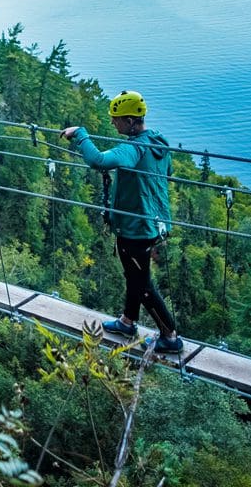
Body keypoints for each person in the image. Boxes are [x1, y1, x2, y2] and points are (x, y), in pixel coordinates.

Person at [61, 90, 183, 354]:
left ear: (130, 121)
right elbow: (168, 172)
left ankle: (170, 336)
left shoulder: (133, 148)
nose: (112, 123)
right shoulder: (156, 142)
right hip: (154, 221)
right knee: (133, 274)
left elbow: (99, 161)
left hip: (136, 228)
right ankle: (128, 321)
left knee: (142, 283)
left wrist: (81, 134)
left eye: (116, 119)